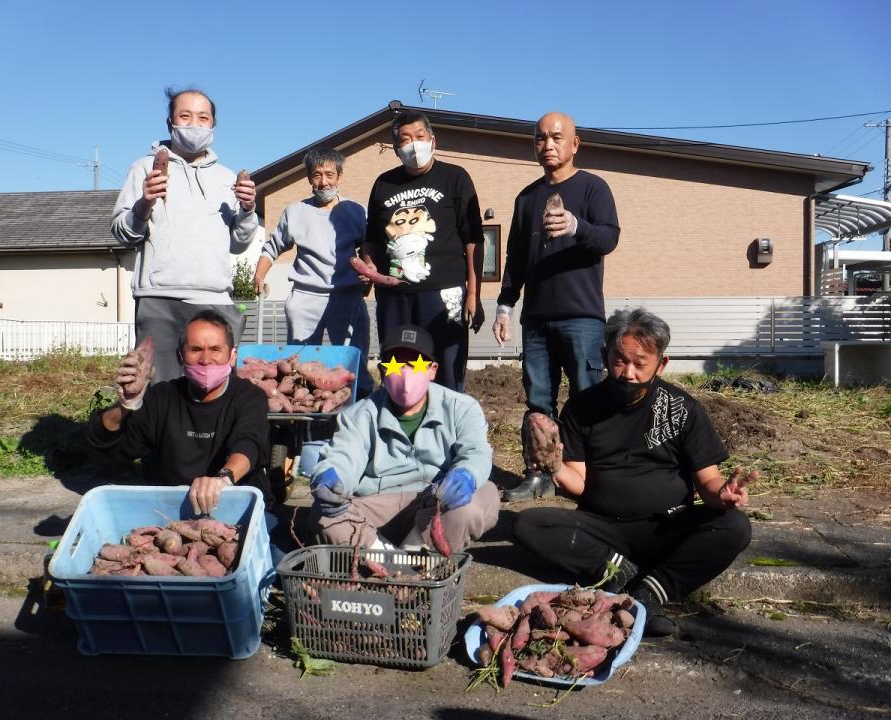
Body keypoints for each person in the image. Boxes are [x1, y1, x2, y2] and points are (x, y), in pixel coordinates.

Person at [512, 308, 755, 636]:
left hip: (666, 527)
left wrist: (721, 495)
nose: (628, 372)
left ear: (661, 363)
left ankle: (650, 593)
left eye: (640, 364)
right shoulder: (581, 408)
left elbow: (708, 480)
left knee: (735, 527)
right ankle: (623, 575)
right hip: (602, 531)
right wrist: (553, 467)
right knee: (529, 524)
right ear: (604, 356)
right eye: (619, 360)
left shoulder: (681, 409)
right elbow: (579, 484)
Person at [493, 111, 621, 501]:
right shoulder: (526, 197)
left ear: (574, 144)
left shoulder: (593, 189)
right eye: (540, 138)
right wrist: (504, 305)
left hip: (582, 317)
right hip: (536, 319)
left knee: (588, 397)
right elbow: (515, 257)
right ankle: (540, 473)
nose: (548, 145)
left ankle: (595, 475)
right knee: (538, 400)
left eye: (556, 137)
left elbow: (609, 238)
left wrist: (576, 226)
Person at [307, 324, 500, 552]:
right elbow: (344, 456)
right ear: (382, 371)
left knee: (484, 494)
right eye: (395, 364)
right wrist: (330, 477)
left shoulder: (462, 407)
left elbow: (476, 451)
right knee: (322, 516)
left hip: (436, 502)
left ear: (433, 370)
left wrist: (466, 474)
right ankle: (387, 558)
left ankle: (412, 552)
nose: (406, 372)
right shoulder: (358, 415)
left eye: (416, 364)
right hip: (376, 506)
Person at [111, 87, 259, 383]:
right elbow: (122, 233)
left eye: (202, 118)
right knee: (158, 389)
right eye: (185, 116)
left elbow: (239, 244)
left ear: (213, 125)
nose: (194, 124)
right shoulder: (145, 168)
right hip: (159, 299)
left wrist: (247, 209)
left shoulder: (227, 178)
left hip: (215, 298)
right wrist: (144, 204)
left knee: (213, 391)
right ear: (170, 123)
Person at [88, 309, 271, 520]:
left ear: (232, 357)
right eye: (195, 349)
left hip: (236, 506)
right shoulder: (162, 397)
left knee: (274, 549)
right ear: (180, 356)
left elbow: (250, 443)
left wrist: (224, 479)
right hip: (173, 511)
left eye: (215, 349)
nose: (205, 359)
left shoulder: (249, 396)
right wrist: (126, 404)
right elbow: (114, 447)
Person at [360, 111, 485, 392]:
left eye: (419, 136)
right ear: (395, 149)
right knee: (399, 370)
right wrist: (369, 269)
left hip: (444, 293)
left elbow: (474, 238)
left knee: (446, 370)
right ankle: (401, 430)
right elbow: (371, 240)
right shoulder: (383, 183)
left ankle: (446, 430)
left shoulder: (455, 177)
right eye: (405, 139)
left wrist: (474, 294)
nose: (414, 144)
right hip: (394, 296)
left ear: (433, 140)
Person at [253, 147, 372, 397]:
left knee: (353, 359)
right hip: (305, 297)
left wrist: (369, 275)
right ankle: (304, 419)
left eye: (329, 174)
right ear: (309, 177)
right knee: (299, 364)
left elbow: (370, 248)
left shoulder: (357, 211)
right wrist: (259, 275)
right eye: (317, 175)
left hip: (347, 296)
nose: (324, 181)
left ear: (339, 176)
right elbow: (272, 247)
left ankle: (359, 409)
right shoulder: (295, 212)